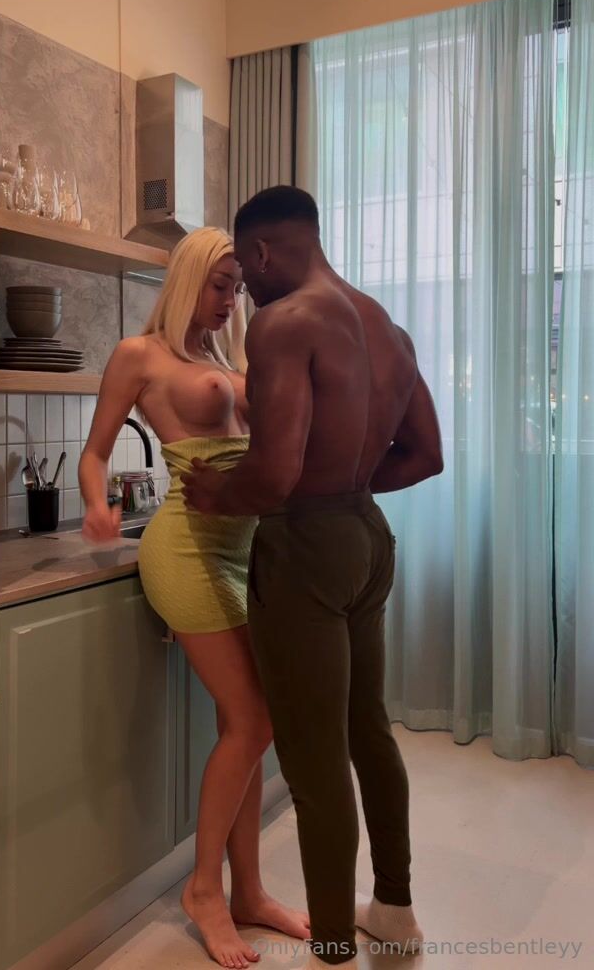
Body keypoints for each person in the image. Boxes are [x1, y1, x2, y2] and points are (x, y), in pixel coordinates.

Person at [183, 187, 444, 967]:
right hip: (368, 536)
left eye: (244, 273)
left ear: (262, 253)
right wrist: (347, 486)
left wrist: (214, 494)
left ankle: (332, 944)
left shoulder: (285, 322)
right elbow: (426, 455)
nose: (244, 295)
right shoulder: (387, 328)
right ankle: (392, 910)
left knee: (313, 759)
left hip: (304, 549)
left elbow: (273, 474)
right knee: (368, 730)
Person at [79, 226, 311, 970]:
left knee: (244, 729)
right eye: (219, 284)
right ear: (185, 278)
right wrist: (98, 508)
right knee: (254, 721)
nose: (230, 299)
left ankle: (250, 892)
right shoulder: (139, 356)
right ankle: (205, 890)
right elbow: (95, 452)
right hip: (185, 550)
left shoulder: (226, 360)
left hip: (243, 553)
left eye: (237, 287)